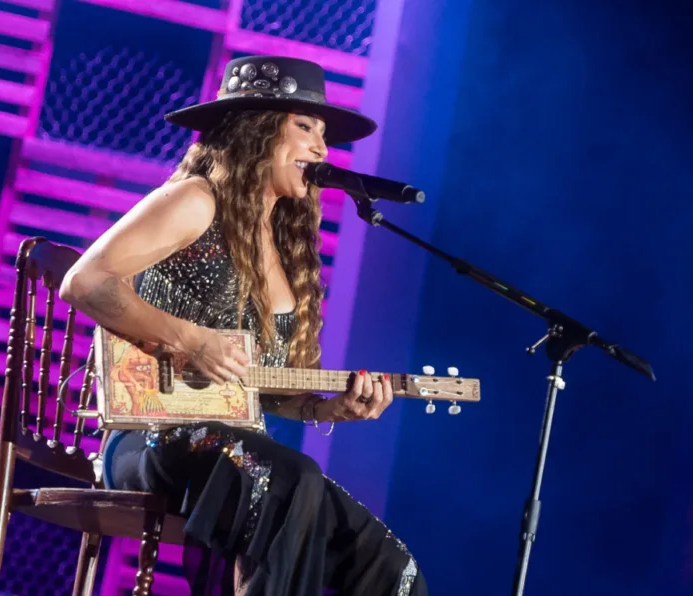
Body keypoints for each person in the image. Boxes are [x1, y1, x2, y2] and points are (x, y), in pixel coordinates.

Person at [60, 55, 426, 596]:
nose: (323, 150)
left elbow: (263, 386)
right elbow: (85, 281)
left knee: (389, 565)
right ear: (256, 129)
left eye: (325, 135)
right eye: (306, 127)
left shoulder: (286, 248)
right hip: (147, 439)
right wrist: (190, 338)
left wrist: (327, 408)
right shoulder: (195, 200)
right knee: (288, 477)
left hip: (235, 450)